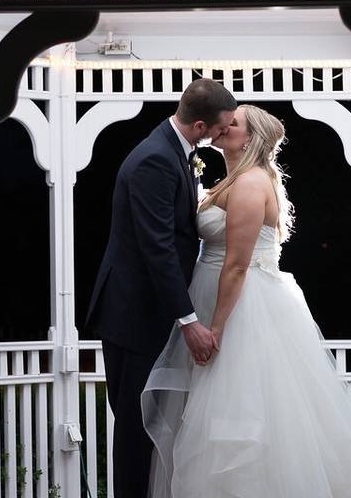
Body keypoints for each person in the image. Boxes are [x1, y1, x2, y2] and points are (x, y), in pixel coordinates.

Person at [142, 104, 351, 497]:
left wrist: (216, 329)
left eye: (234, 123)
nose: (225, 126)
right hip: (218, 299)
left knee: (242, 418)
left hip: (243, 310)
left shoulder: (249, 184)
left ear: (251, 138)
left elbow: (237, 266)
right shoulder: (231, 179)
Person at [85, 78, 237, 498]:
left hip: (150, 312)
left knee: (152, 425)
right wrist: (188, 320)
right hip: (133, 315)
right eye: (221, 129)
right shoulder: (155, 159)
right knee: (135, 427)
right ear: (201, 125)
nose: (223, 136)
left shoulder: (175, 151)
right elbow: (159, 248)